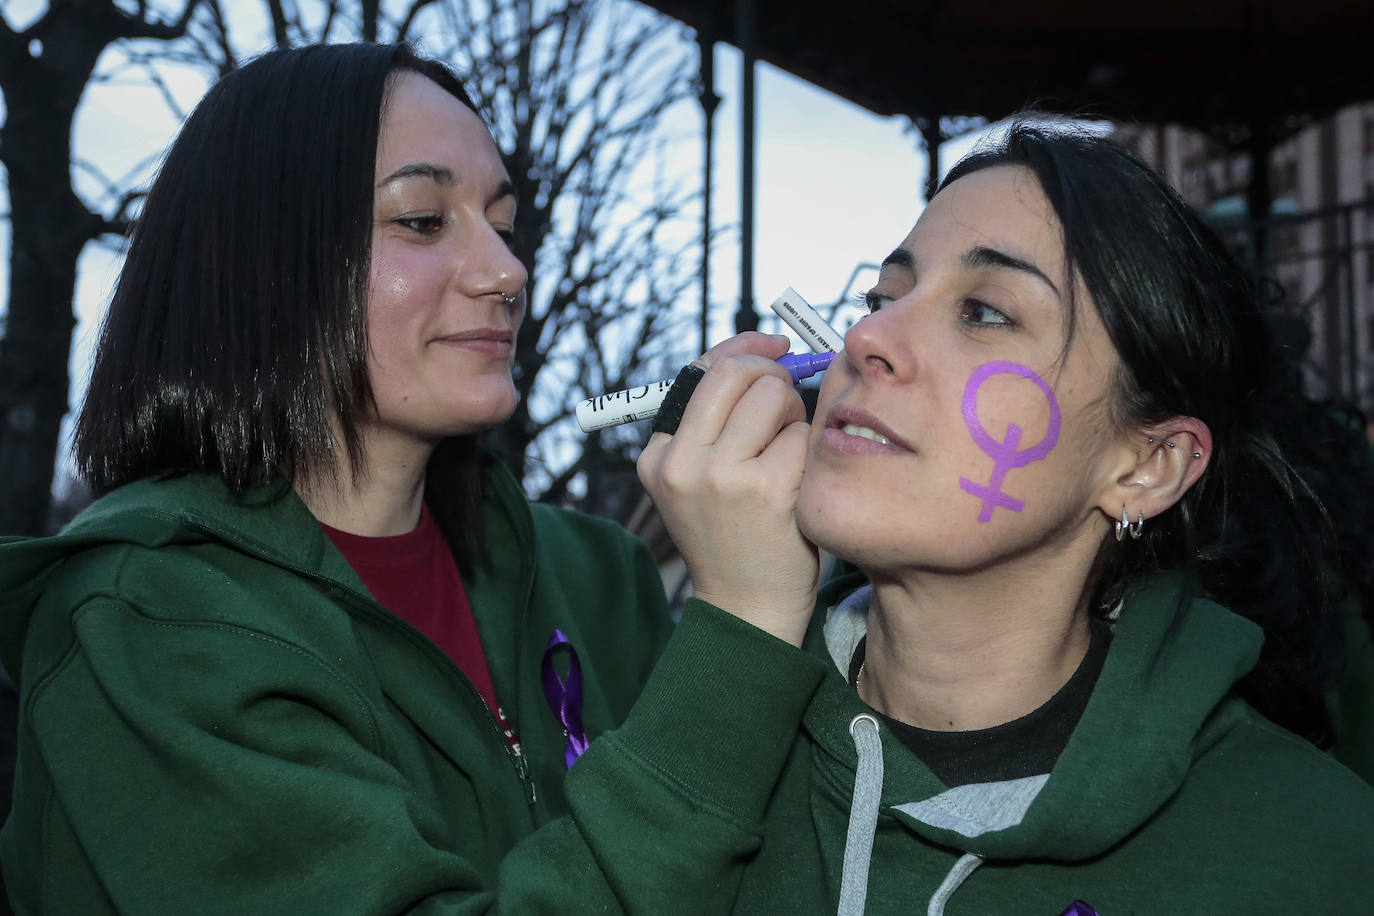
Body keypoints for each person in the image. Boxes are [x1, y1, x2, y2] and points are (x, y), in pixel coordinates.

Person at [0, 42, 759, 913]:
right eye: (422, 220)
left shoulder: (596, 576)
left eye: (503, 226)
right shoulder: (148, 616)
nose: (508, 271)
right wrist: (740, 634)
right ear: (264, 260)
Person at [638, 121, 1374, 913]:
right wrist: (738, 631)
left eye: (985, 312)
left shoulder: (1315, 857)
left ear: (1146, 466)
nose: (866, 335)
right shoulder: (685, 741)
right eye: (882, 297)